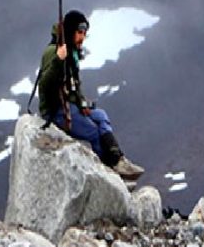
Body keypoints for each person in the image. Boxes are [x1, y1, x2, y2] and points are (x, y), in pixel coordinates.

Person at [36, 10, 144, 181]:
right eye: (80, 32)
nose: (83, 37)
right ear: (71, 31)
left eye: (85, 33)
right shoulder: (53, 52)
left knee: (101, 116)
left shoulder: (71, 53)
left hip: (70, 106)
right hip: (56, 111)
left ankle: (118, 159)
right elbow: (45, 85)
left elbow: (73, 86)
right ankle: (110, 172)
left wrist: (82, 104)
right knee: (93, 131)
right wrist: (58, 60)